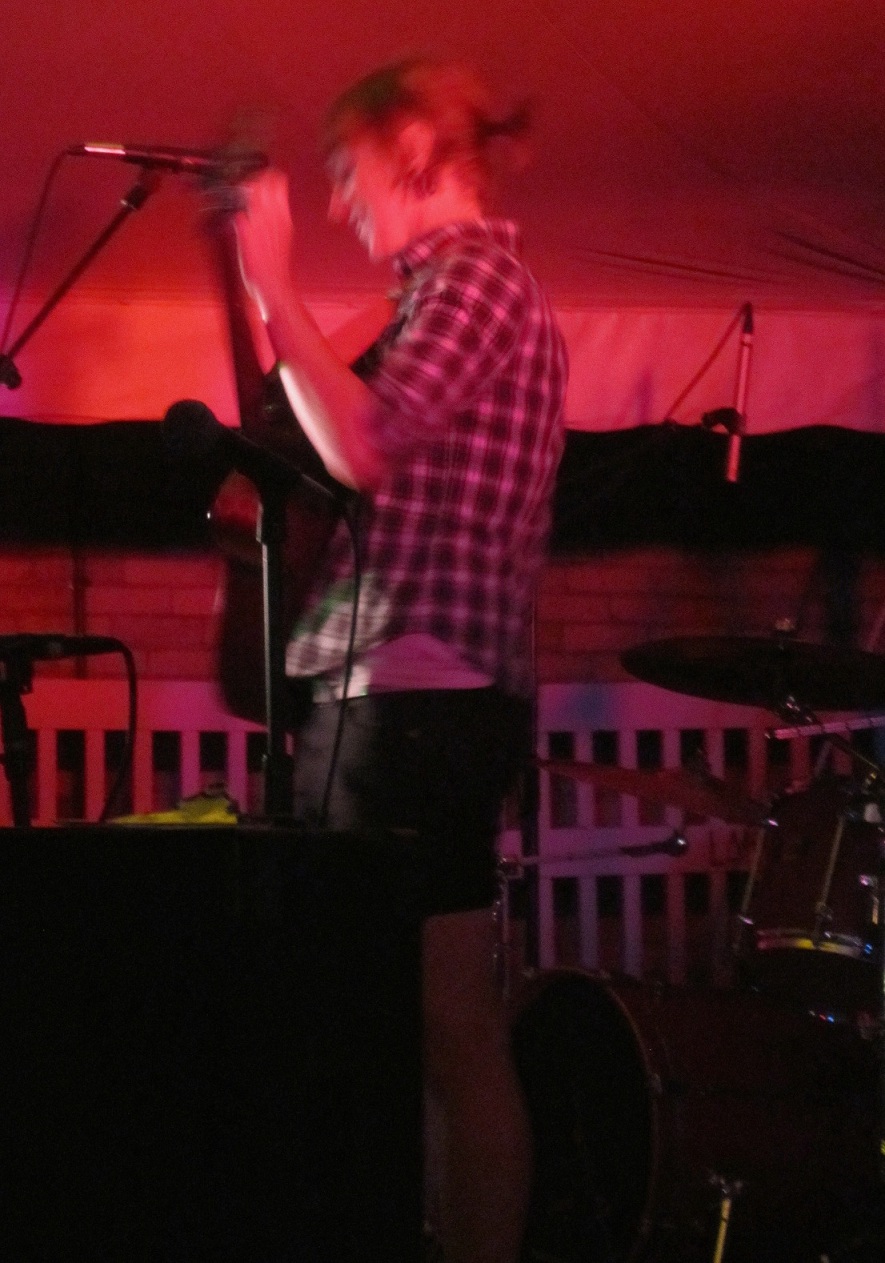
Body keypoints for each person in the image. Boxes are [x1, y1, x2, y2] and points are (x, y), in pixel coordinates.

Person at [232, 55, 567, 1263]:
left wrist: (275, 283)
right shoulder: (440, 297)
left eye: (349, 171)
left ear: (416, 151)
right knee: (427, 1029)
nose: (340, 201)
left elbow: (364, 444)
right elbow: (327, 430)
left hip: (418, 700)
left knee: (419, 1033)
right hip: (413, 696)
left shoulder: (478, 281)